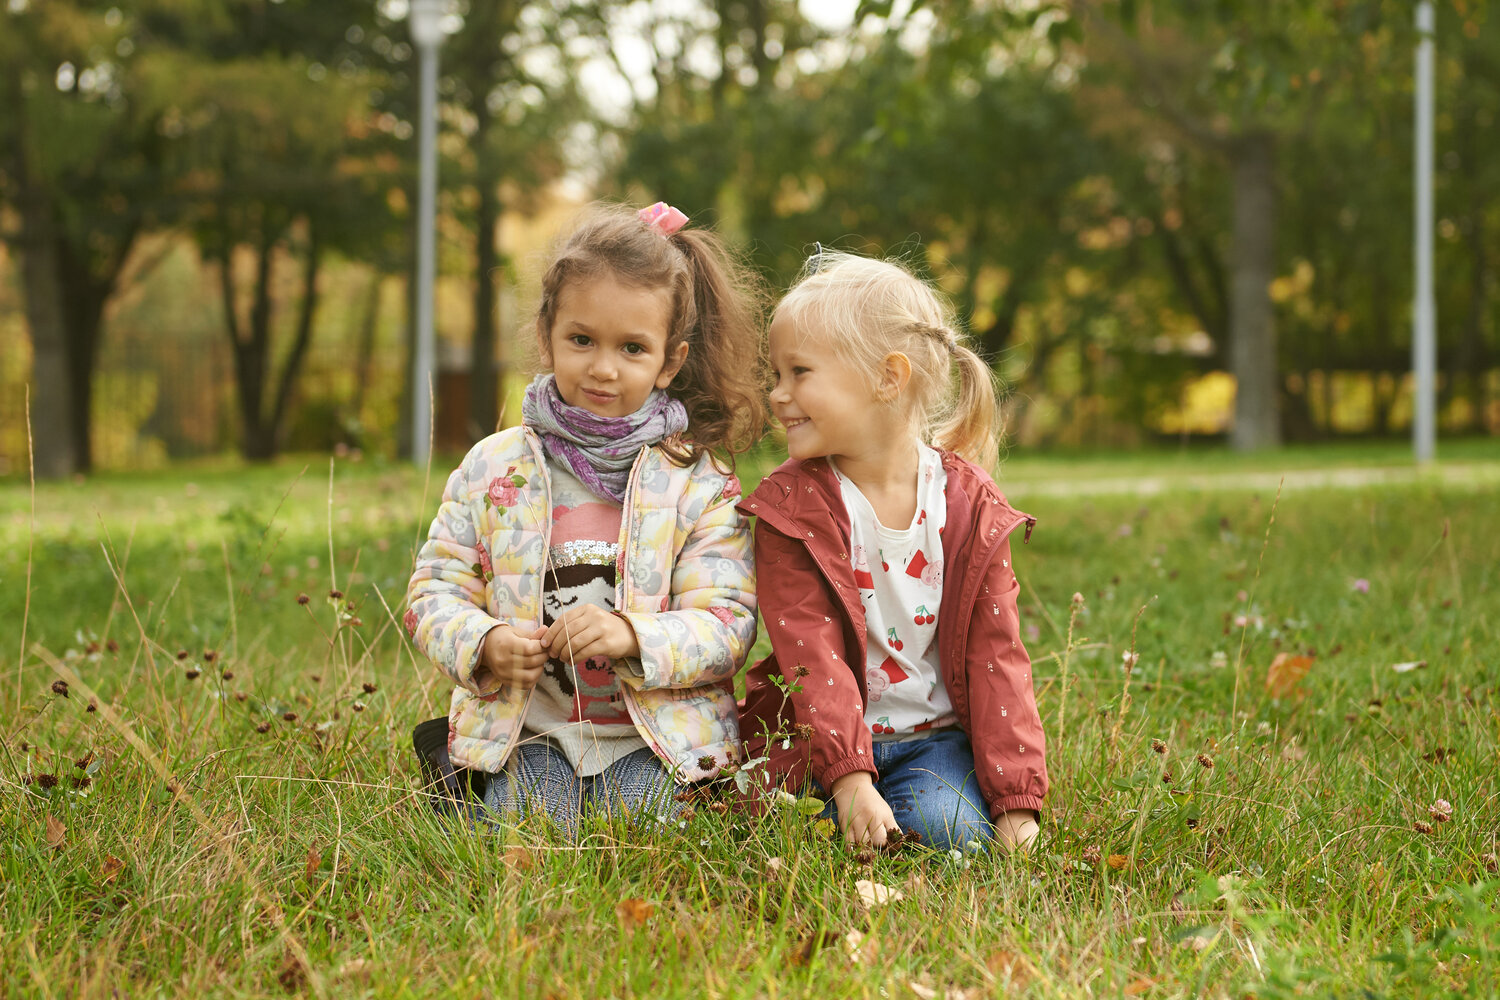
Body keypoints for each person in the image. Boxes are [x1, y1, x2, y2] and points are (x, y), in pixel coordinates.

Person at [405, 202, 765, 834]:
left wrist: (634, 636)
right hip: (531, 731)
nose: (603, 367)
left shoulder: (698, 484)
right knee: (529, 834)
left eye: (632, 348)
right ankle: (468, 776)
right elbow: (433, 590)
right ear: (547, 335)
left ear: (669, 362)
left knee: (646, 835)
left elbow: (729, 623)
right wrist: (483, 643)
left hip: (655, 740)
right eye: (582, 340)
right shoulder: (494, 469)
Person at [737, 248, 1046, 852]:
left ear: (888, 377)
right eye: (776, 375)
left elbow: (998, 655)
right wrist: (849, 778)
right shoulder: (792, 508)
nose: (777, 394)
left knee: (948, 829)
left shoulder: (967, 505)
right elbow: (812, 656)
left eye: (799, 373)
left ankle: (896, 822)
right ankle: (844, 817)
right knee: (771, 828)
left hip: (931, 741)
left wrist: (1015, 803)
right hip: (813, 741)